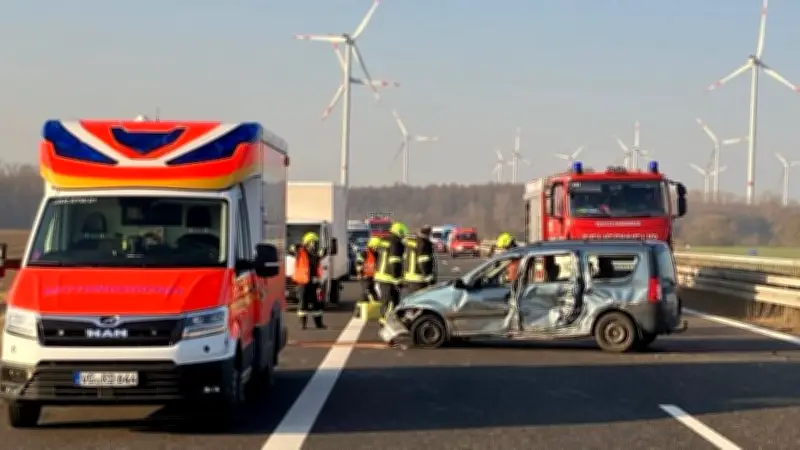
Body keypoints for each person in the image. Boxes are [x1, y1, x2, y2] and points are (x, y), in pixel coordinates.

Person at [289, 232, 327, 330]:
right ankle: (303, 324)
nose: (314, 244)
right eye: (312, 242)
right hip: (303, 283)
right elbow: (292, 248)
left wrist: (322, 254)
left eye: (315, 243)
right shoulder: (300, 252)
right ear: (307, 243)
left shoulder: (315, 254)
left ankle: (319, 324)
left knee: (318, 302)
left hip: (315, 283)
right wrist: (302, 244)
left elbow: (318, 265)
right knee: (303, 304)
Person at [374, 221, 408, 322]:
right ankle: (388, 323)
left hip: (380, 275)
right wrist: (397, 279)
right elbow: (395, 262)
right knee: (391, 302)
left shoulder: (384, 240)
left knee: (384, 302)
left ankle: (383, 321)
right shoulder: (396, 243)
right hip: (389, 277)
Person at [403, 225, 436, 293]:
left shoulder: (411, 241)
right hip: (419, 279)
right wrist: (429, 280)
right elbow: (423, 263)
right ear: (429, 233)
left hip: (408, 277)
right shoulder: (424, 243)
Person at [356, 236, 381, 304]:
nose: (377, 248)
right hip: (365, 276)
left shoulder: (376, 254)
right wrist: (360, 274)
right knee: (365, 292)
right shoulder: (364, 253)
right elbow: (359, 264)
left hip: (372, 277)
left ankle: (377, 306)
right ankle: (360, 309)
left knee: (373, 291)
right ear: (372, 245)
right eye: (376, 246)